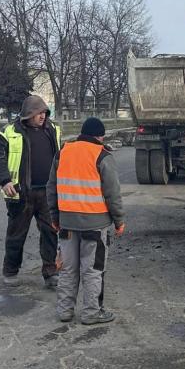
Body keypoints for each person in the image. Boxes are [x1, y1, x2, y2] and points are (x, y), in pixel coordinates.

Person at [47, 117, 125, 325]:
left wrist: (55, 217)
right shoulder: (102, 155)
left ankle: (64, 311)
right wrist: (119, 221)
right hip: (95, 225)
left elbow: (51, 188)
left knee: (68, 268)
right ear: (99, 136)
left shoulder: (63, 152)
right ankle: (91, 312)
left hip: (67, 224)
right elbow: (112, 194)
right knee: (92, 270)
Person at [0, 95, 62, 287]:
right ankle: (10, 271)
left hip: (47, 193)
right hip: (20, 194)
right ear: (28, 114)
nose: (42, 117)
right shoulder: (10, 132)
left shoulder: (53, 130)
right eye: (39, 113)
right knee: (16, 234)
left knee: (50, 232)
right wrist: (5, 181)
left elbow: (60, 156)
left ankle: (50, 272)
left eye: (44, 113)